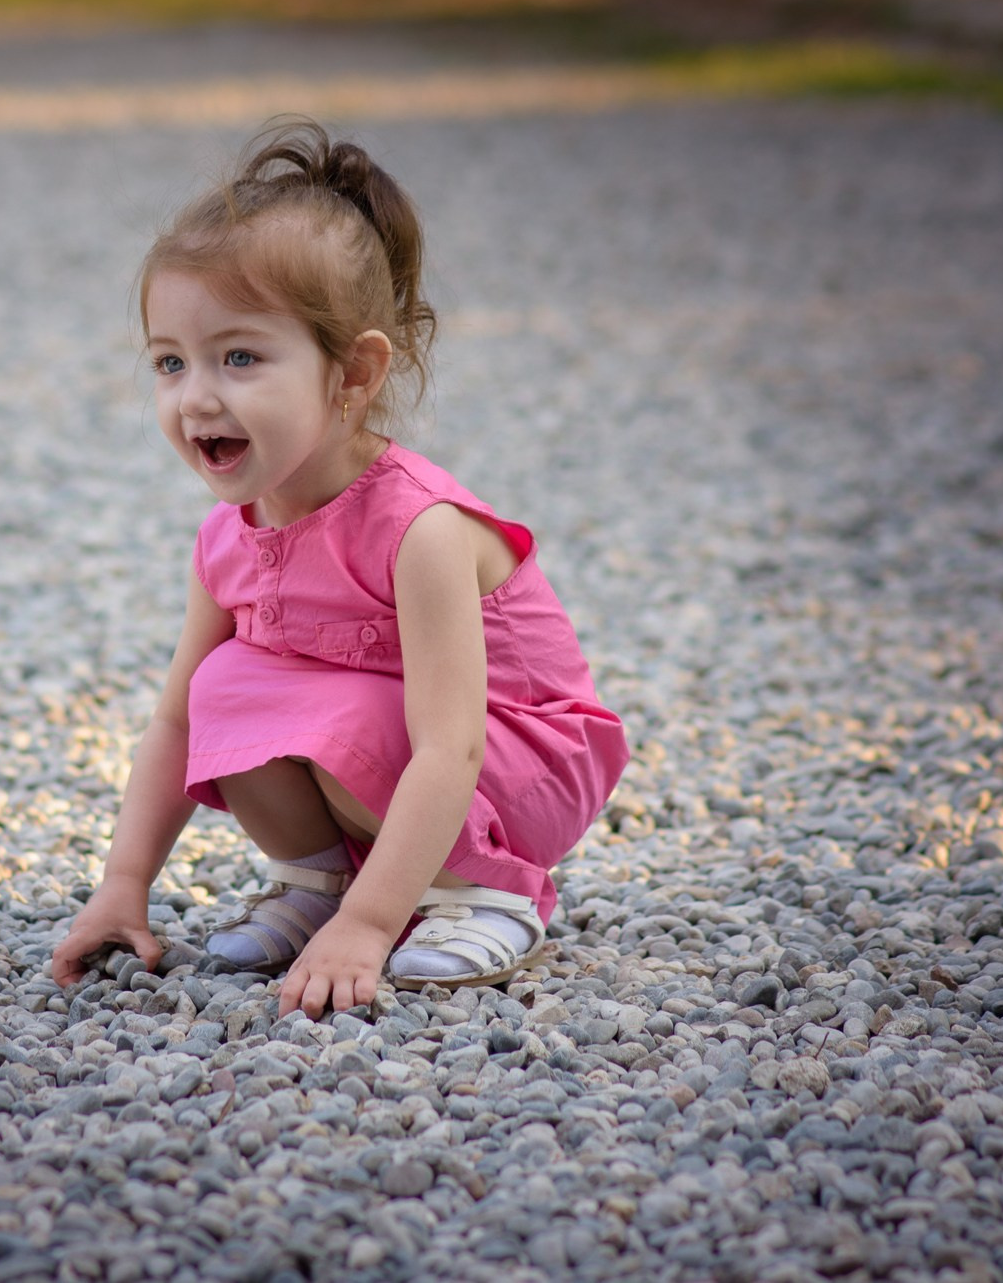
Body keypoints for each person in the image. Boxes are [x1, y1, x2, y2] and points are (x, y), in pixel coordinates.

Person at [50, 118, 629, 1020]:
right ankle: (317, 882)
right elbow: (176, 721)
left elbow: (451, 744)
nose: (196, 395)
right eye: (170, 362)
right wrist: (123, 883)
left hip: (512, 767)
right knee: (220, 684)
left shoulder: (418, 529)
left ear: (353, 372)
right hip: (392, 759)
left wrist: (369, 927)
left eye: (240, 356)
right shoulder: (227, 536)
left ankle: (485, 892)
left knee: (345, 710)